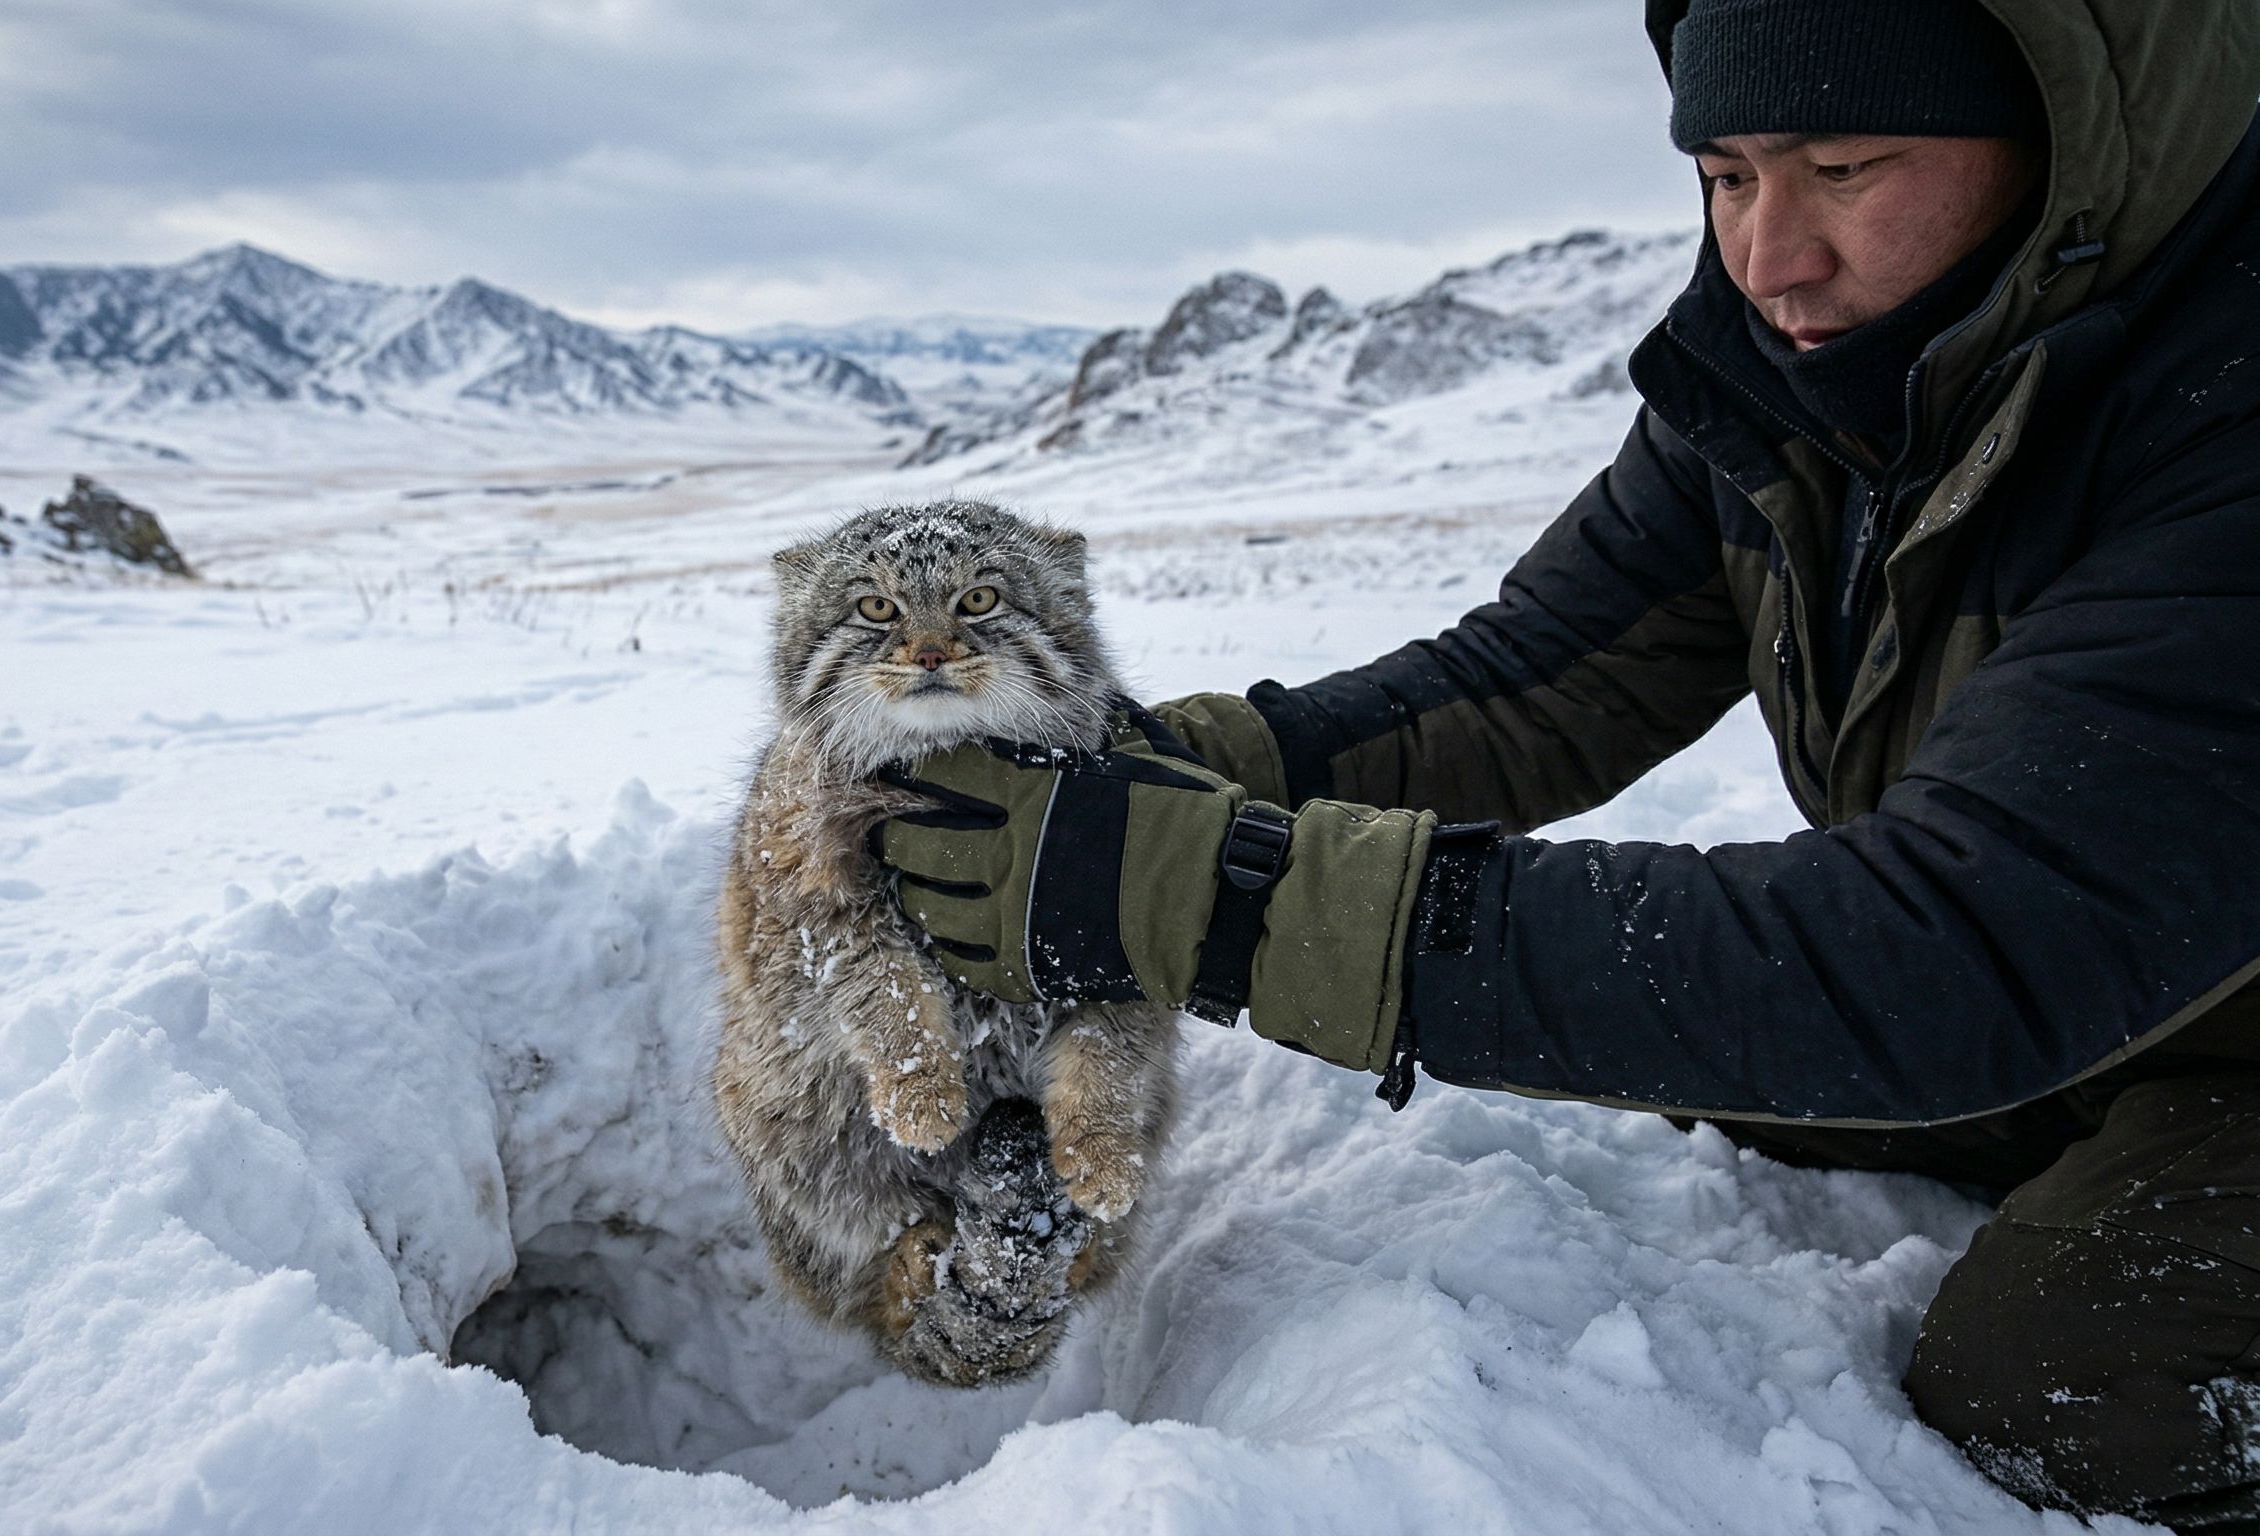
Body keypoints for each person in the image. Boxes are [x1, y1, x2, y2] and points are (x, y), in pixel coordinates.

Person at [873, 0, 2260, 1525]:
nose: (1769, 254)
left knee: (2073, 1386)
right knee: (1671, 1056)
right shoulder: (1807, 369)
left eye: (1848, 166)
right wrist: (1159, 768)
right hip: (2094, 989)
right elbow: (1540, 675)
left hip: (2168, 1007)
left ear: (2061, 137)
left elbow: (1953, 942)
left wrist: (1209, 895)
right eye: (1727, 175)